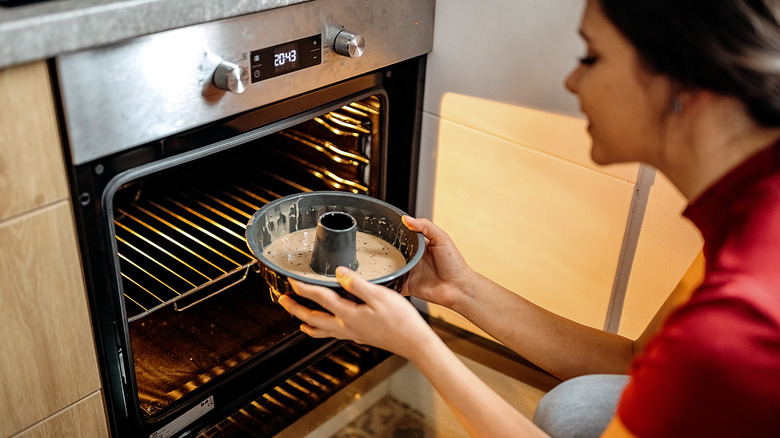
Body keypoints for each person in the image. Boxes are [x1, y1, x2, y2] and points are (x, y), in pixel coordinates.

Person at [278, 0, 780, 436]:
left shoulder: (734, 323)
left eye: (592, 56)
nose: (572, 80)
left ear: (684, 81)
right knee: (576, 408)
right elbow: (635, 364)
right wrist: (461, 291)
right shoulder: (754, 208)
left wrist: (417, 343)